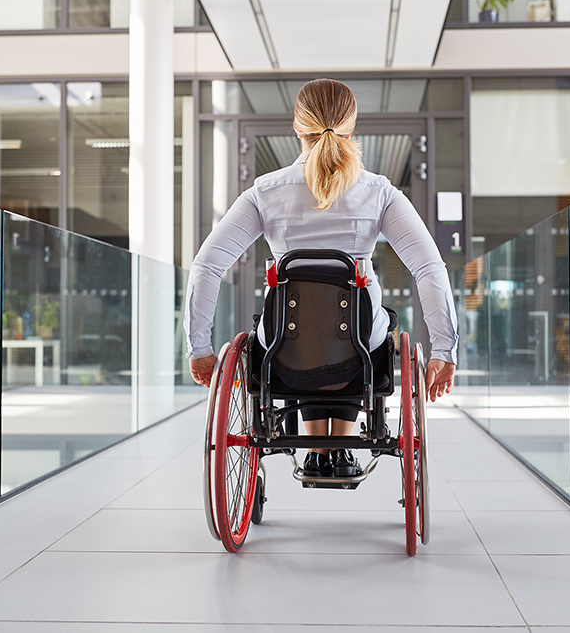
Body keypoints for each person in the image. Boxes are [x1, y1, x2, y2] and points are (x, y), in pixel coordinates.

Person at [184, 78, 458, 478]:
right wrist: (443, 350)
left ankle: (317, 448)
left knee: (303, 328)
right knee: (361, 324)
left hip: (284, 347)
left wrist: (199, 346)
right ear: (351, 128)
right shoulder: (379, 192)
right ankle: (338, 450)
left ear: (297, 128)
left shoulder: (265, 191)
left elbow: (207, 266)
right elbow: (429, 268)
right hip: (359, 352)